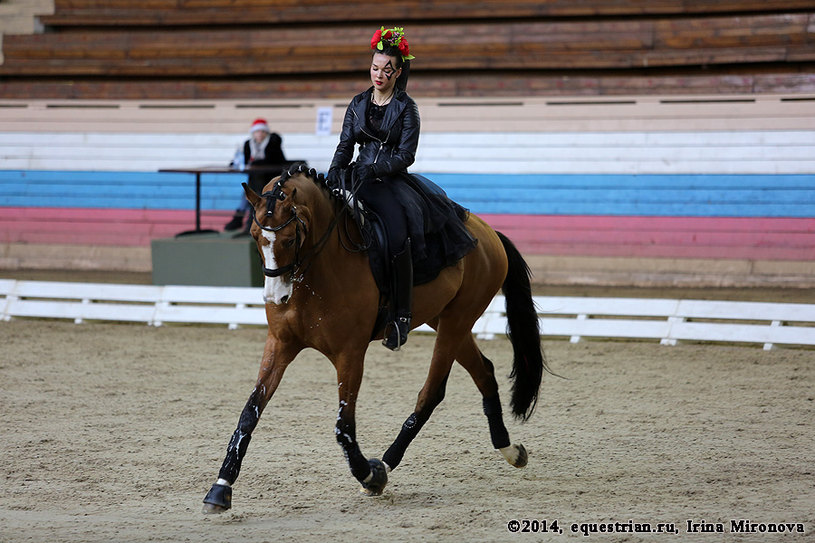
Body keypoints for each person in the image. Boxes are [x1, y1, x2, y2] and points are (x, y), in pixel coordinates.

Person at [327, 26, 476, 351]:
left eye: (386, 70)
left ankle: (402, 314)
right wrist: (335, 170)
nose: (379, 74)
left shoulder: (408, 108)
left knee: (397, 236)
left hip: (390, 181)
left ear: (398, 72)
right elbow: (345, 144)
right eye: (375, 68)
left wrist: (374, 168)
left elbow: (406, 155)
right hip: (356, 177)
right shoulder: (357, 103)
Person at [224, 118, 287, 232]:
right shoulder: (249, 144)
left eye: (262, 131)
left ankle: (248, 220)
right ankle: (239, 217)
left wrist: (254, 163)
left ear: (266, 132)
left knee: (253, 193)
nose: (260, 134)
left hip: (270, 178)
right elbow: (246, 160)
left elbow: (272, 160)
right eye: (257, 132)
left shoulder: (273, 142)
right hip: (255, 178)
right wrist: (236, 163)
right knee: (248, 193)